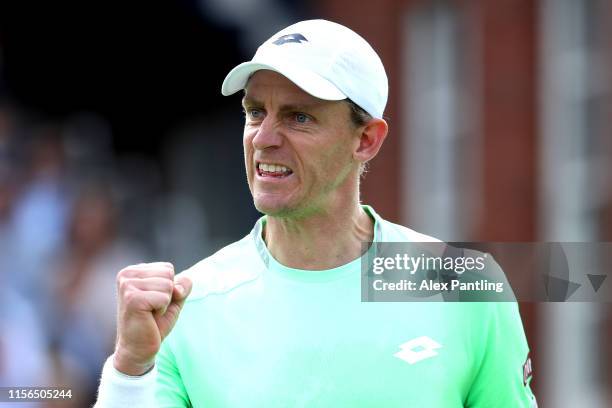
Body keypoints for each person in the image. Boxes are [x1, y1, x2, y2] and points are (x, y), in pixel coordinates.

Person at [95, 19, 537, 407]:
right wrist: (131, 370)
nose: (264, 137)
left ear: (365, 140)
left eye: (298, 117)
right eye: (254, 112)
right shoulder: (186, 306)